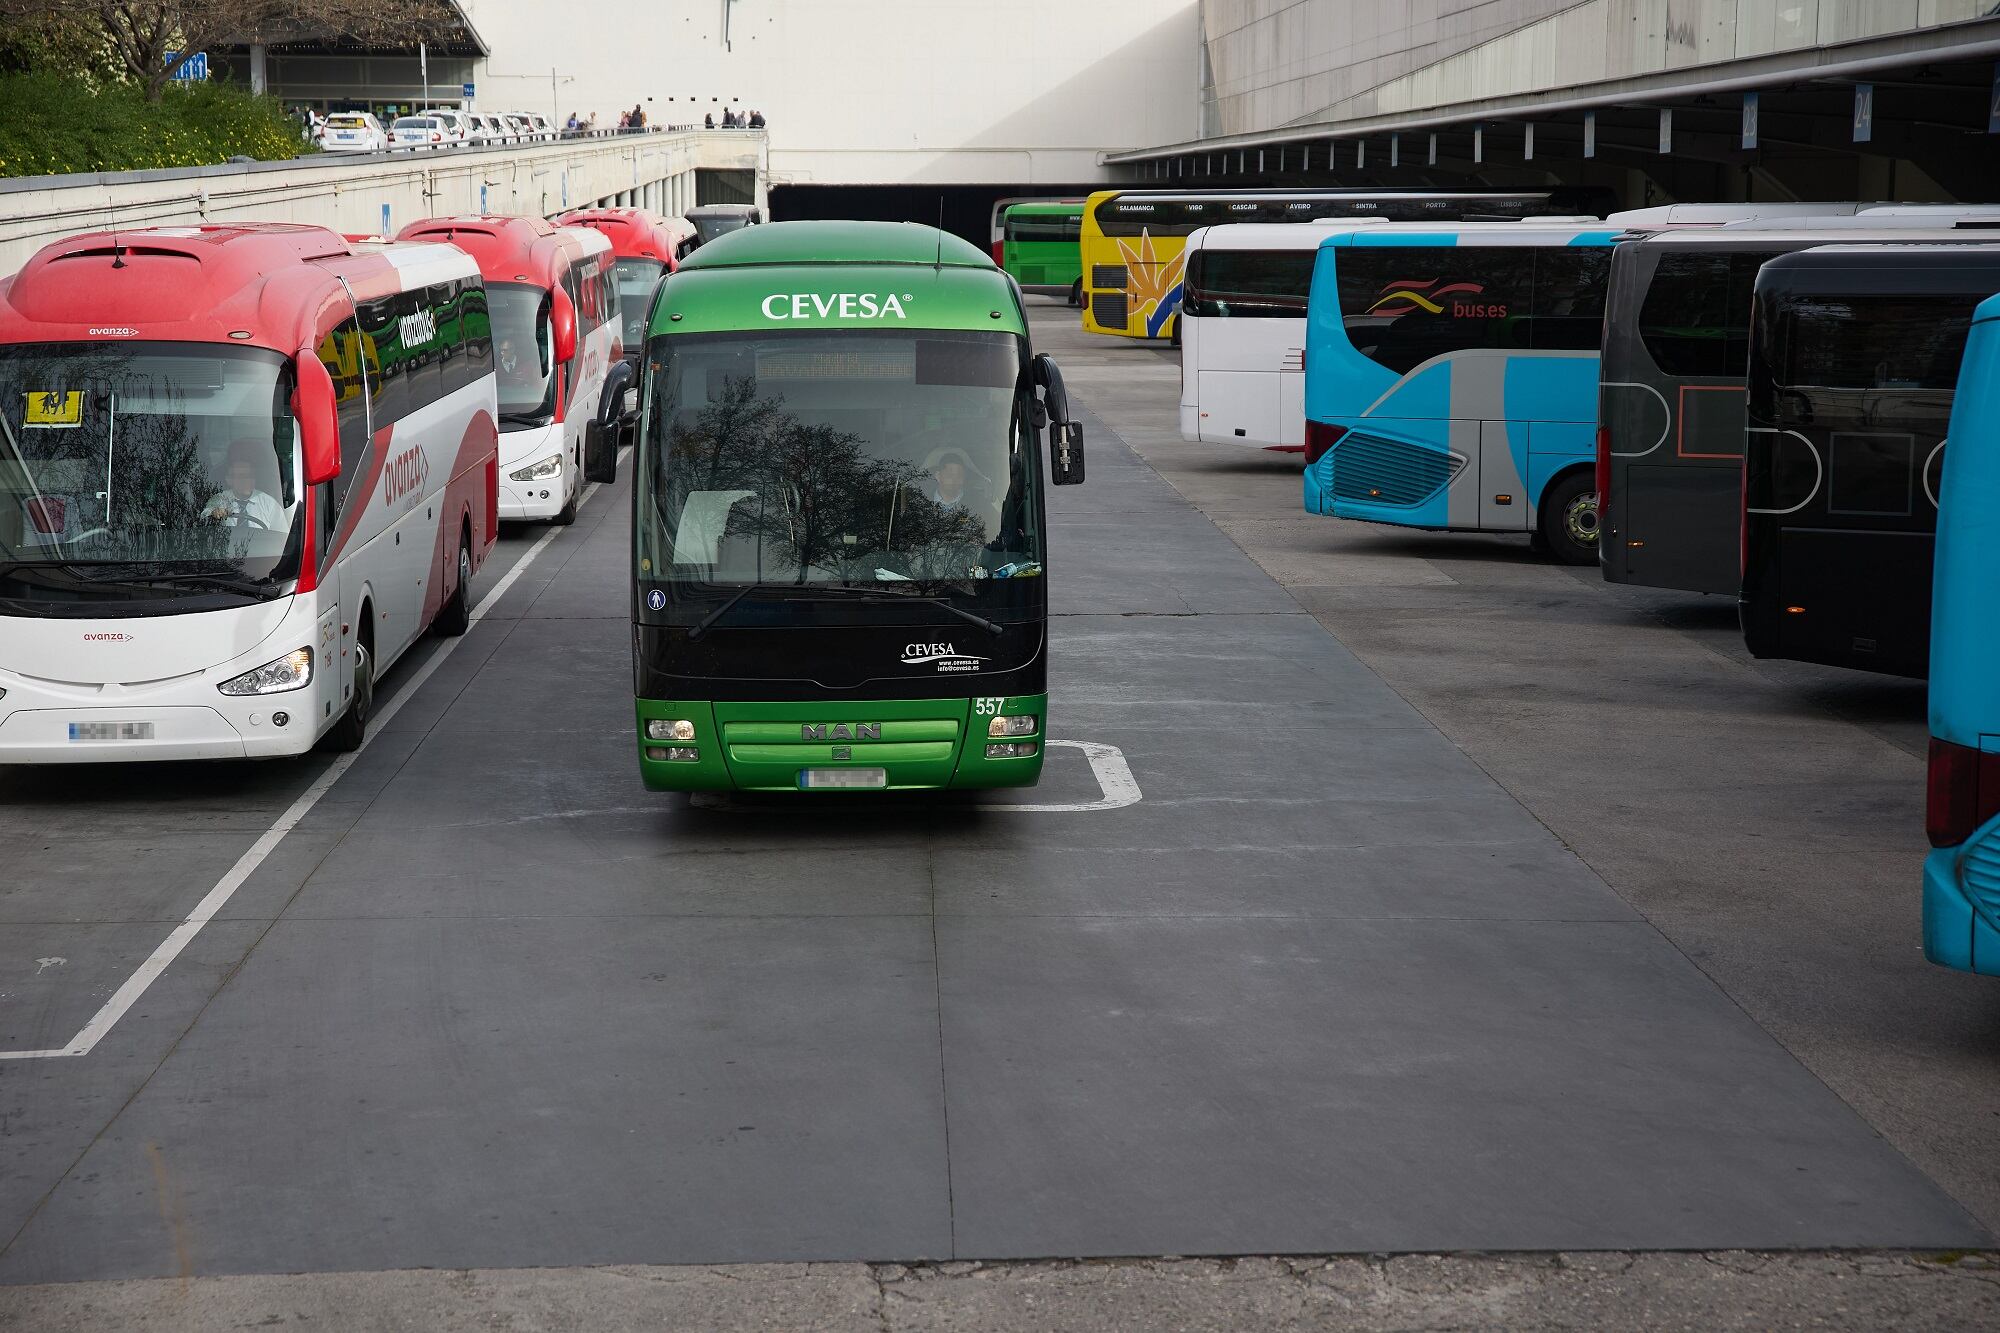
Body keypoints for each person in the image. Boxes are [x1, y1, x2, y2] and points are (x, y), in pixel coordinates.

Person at [204, 442, 285, 531]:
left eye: (250, 476)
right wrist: (215, 512)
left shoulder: (269, 503)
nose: (247, 480)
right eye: (241, 476)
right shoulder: (219, 499)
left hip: (260, 544)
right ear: (229, 480)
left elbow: (282, 534)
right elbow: (204, 516)